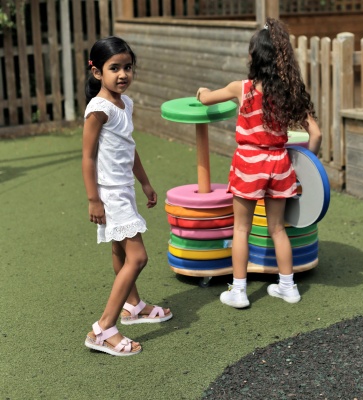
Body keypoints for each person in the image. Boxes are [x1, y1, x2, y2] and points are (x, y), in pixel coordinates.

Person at [196, 18, 322, 308]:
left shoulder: (242, 88)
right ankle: (288, 287)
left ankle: (238, 292)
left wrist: (202, 92)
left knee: (241, 228)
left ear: (254, 57)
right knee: (278, 229)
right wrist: (307, 166)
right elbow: (315, 134)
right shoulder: (289, 92)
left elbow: (207, 100)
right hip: (279, 163)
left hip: (249, 163)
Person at [82, 36, 172, 356]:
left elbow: (128, 149)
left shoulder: (126, 104)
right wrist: (94, 199)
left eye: (127, 67)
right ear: (97, 73)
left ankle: (132, 306)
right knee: (138, 257)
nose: (123, 74)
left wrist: (145, 183)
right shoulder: (99, 109)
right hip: (109, 195)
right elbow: (88, 156)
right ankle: (103, 329)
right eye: (114, 68)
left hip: (125, 190)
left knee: (120, 252)